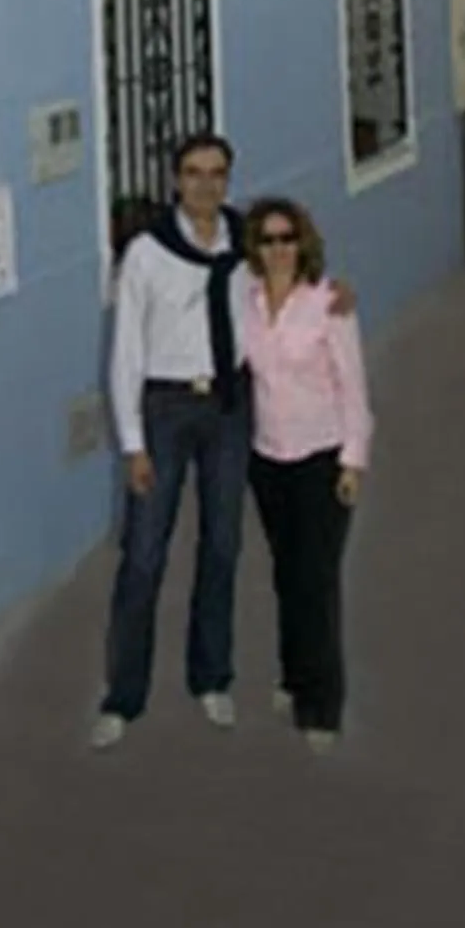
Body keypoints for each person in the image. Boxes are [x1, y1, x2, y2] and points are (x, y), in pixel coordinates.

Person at [91, 132, 352, 750]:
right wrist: (133, 444)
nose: (206, 185)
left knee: (223, 544)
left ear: (228, 180)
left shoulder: (245, 243)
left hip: (230, 408)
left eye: (217, 173)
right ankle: (123, 696)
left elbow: (295, 283)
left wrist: (338, 296)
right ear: (175, 181)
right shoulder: (146, 255)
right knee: (145, 554)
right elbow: (125, 353)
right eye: (193, 173)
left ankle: (211, 676)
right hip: (166, 407)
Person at [239, 195, 372, 752]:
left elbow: (353, 386)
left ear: (303, 243)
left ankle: (323, 706)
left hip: (321, 457)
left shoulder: (327, 306)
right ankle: (294, 676)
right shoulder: (243, 302)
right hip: (268, 459)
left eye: (287, 239)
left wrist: (353, 462)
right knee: (286, 572)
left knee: (317, 581)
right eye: (267, 240)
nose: (278, 250)